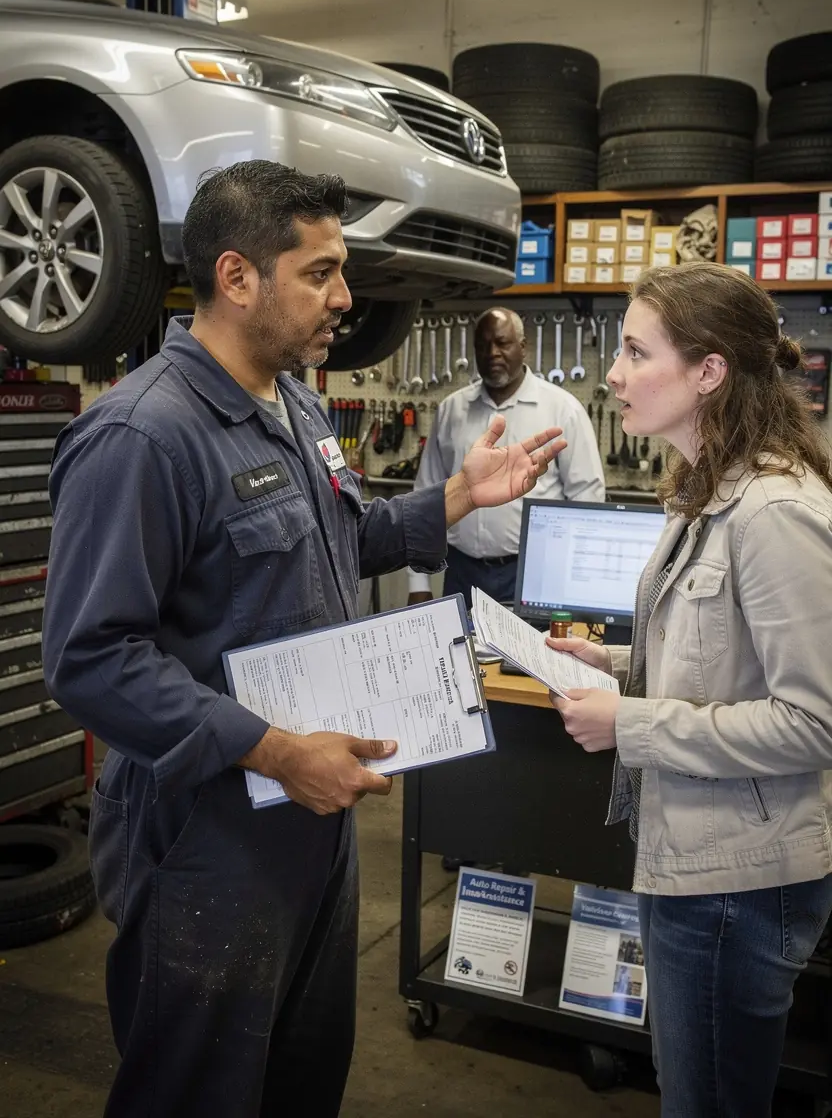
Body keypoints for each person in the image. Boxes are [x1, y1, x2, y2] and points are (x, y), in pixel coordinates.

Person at [41, 161, 566, 1118]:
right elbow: (91, 659)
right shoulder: (142, 437)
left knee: (300, 1078)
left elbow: (338, 540)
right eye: (320, 273)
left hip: (310, 814)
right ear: (238, 277)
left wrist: (456, 497)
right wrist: (278, 752)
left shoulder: (299, 406)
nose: (346, 297)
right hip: (205, 832)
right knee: (197, 1091)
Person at [547, 261, 832, 1117]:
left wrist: (629, 723)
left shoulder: (774, 512)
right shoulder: (705, 494)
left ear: (709, 371)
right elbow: (723, 662)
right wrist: (614, 667)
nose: (614, 375)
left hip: (738, 888)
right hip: (696, 865)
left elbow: (813, 722)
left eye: (637, 352)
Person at [408, 306, 605, 610]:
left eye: (502, 343)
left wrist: (575, 581)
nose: (492, 353)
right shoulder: (451, 410)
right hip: (461, 571)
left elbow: (587, 498)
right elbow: (425, 498)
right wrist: (418, 583)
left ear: (523, 347)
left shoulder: (563, 410)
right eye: (483, 345)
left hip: (535, 571)